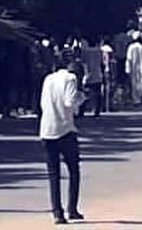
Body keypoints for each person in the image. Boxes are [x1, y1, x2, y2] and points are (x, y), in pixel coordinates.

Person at [39, 52, 86, 225]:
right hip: (65, 130)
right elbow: (70, 102)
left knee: (54, 174)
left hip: (47, 130)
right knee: (74, 170)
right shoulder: (71, 79)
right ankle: (72, 209)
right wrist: (81, 97)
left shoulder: (48, 79)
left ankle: (57, 212)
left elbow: (43, 104)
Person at [125, 32, 142, 106]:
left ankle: (136, 100)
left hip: (133, 68)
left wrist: (128, 69)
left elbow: (129, 59)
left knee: (134, 83)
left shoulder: (131, 47)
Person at [79, 39, 104, 117]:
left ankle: (82, 111)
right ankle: (96, 110)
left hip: (88, 74)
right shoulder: (99, 51)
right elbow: (102, 62)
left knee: (85, 93)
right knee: (97, 93)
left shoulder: (85, 52)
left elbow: (83, 63)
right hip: (97, 73)